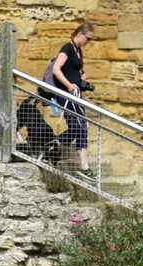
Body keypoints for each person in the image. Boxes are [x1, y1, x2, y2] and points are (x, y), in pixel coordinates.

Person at [42, 22, 96, 178]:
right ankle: (83, 166)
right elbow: (56, 68)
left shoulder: (78, 50)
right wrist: (68, 85)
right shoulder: (67, 48)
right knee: (78, 126)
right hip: (66, 95)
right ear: (79, 34)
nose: (88, 42)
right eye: (87, 39)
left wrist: (80, 79)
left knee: (80, 127)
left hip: (75, 95)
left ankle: (54, 146)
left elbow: (70, 72)